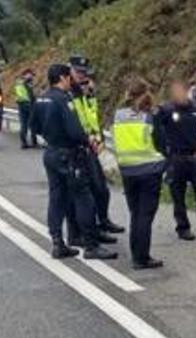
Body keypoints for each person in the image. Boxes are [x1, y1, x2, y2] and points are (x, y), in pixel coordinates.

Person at [30, 64, 116, 260]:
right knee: (83, 197)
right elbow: (75, 131)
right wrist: (88, 141)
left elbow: (33, 127)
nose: (71, 81)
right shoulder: (63, 100)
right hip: (69, 154)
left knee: (57, 198)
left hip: (51, 153)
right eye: (69, 77)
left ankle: (58, 243)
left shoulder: (42, 98)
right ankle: (91, 245)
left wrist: (52, 136)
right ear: (62, 78)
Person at [155, 80, 196, 240]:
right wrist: (165, 151)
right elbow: (156, 131)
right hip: (176, 158)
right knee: (178, 195)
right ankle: (183, 227)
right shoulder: (166, 110)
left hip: (195, 156)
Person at [69, 54, 125, 238]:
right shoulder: (69, 93)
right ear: (70, 72)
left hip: (94, 146)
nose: (83, 77)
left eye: (85, 74)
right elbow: (74, 121)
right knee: (90, 191)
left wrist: (90, 95)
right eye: (79, 73)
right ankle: (91, 229)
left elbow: (92, 117)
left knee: (101, 188)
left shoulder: (86, 93)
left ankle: (103, 221)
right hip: (80, 147)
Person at [111, 79, 166, 270]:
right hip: (149, 170)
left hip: (128, 171)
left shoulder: (118, 116)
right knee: (145, 216)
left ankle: (137, 255)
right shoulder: (150, 117)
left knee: (135, 214)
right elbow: (161, 143)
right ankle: (141, 258)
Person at [14, 68, 37, 149]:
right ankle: (34, 142)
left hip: (22, 105)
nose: (32, 77)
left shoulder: (19, 82)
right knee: (32, 123)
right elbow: (29, 95)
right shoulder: (24, 83)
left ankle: (24, 143)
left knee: (24, 124)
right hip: (27, 105)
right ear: (26, 74)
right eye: (31, 75)